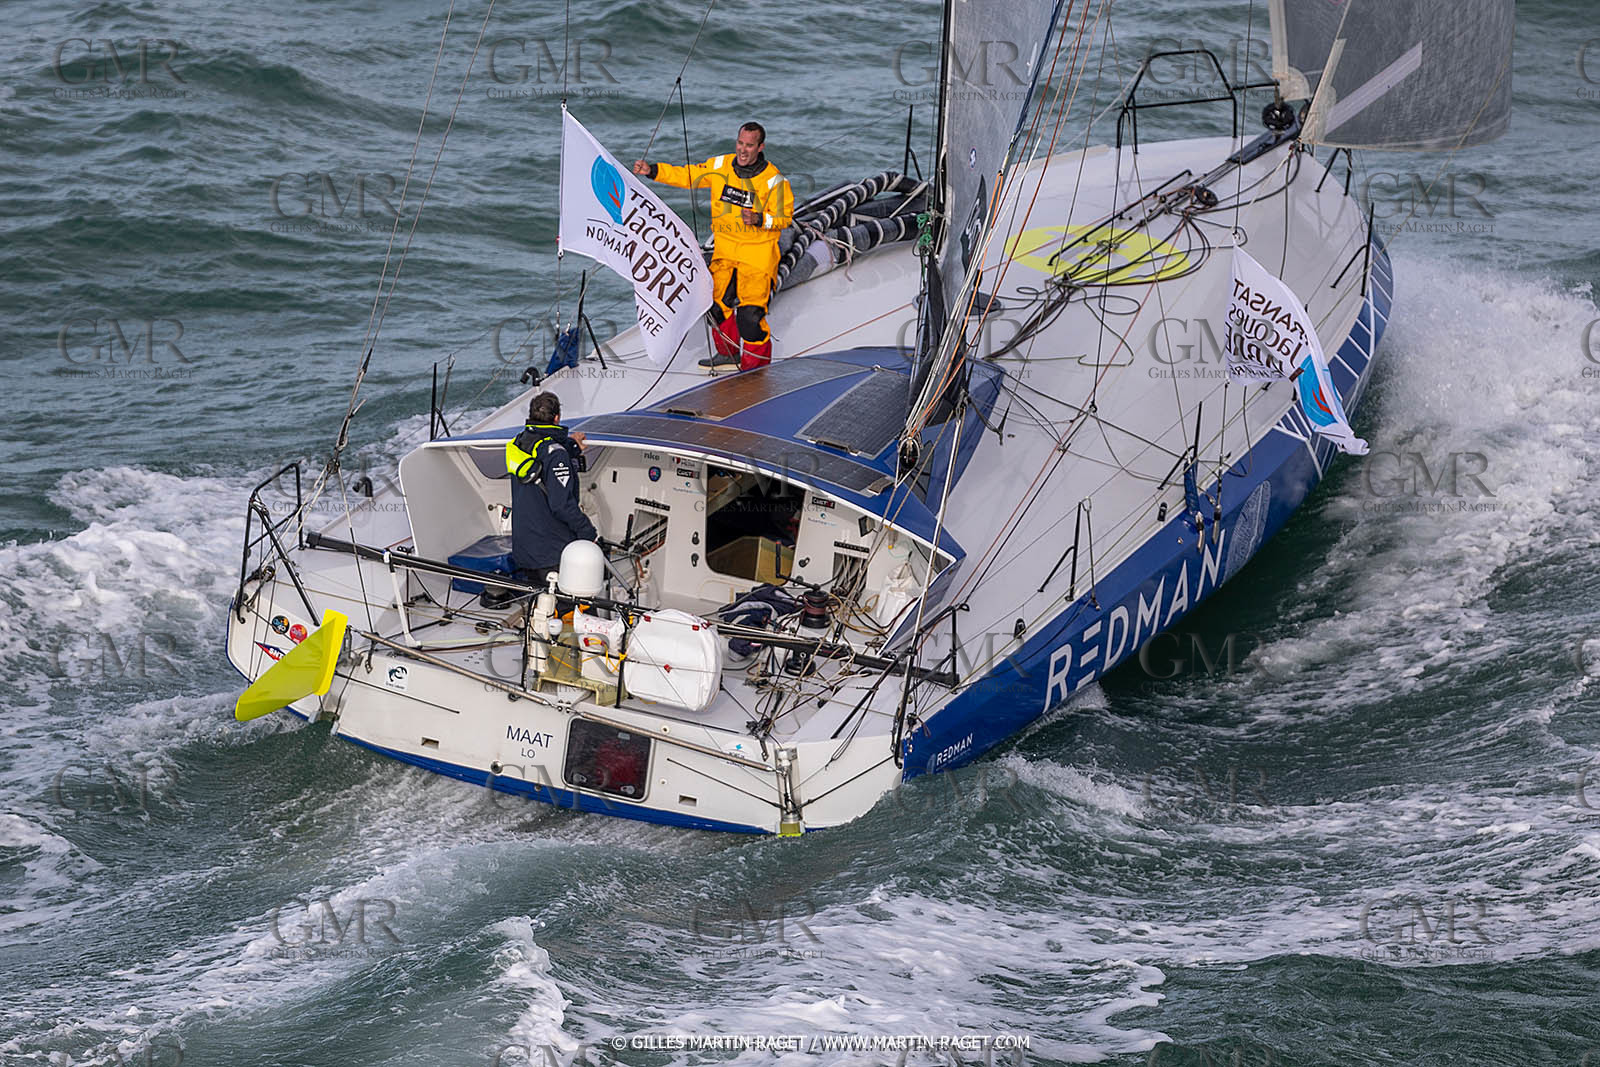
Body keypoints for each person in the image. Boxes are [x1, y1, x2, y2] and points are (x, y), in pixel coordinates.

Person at [634, 121, 793, 371]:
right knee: (715, 308)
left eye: (749, 145)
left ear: (760, 147)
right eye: (740, 143)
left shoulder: (774, 181)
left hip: (757, 256)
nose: (743, 149)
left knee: (750, 319)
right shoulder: (720, 165)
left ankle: (756, 370)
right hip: (726, 252)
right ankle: (728, 354)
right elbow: (688, 175)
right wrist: (652, 170)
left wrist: (760, 218)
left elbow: (784, 217)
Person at [504, 392, 597, 589]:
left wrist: (570, 445)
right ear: (557, 418)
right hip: (551, 552)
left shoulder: (519, 443)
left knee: (540, 605)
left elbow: (543, 452)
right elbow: (561, 506)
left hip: (525, 547)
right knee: (569, 607)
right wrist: (588, 532)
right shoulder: (557, 456)